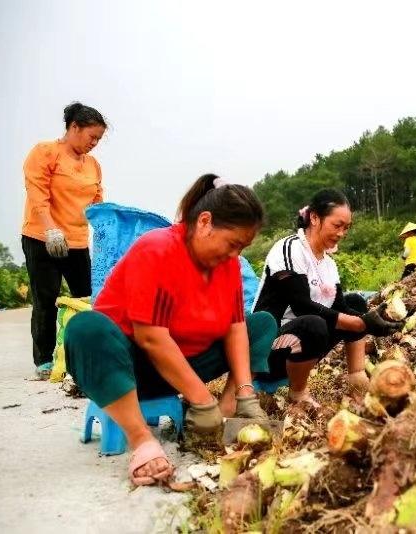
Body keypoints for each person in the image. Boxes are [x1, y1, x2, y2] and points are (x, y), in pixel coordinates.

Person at [64, 174, 277, 486]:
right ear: (204, 222)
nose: (235, 256)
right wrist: (201, 399)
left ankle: (227, 411)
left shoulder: (227, 266)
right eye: (233, 244)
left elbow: (235, 327)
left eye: (242, 248)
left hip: (185, 364)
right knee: (85, 328)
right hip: (131, 370)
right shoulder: (158, 251)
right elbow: (151, 337)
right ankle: (142, 441)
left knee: (261, 323)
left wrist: (243, 394)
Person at [253, 189, 404, 407]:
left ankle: (357, 374)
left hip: (300, 345)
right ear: (314, 218)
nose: (342, 233)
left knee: (355, 303)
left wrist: (371, 319)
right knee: (313, 324)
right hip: (269, 351)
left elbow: (340, 306)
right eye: (337, 225)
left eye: (346, 228)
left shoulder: (328, 263)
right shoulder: (290, 248)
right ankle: (298, 394)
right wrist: (361, 322)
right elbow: (301, 305)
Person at [22, 102, 107, 379]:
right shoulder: (45, 152)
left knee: (85, 299)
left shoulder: (93, 165)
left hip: (77, 242)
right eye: (91, 136)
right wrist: (50, 229)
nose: (94, 143)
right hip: (42, 238)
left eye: (98, 139)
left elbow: (97, 202)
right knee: (45, 299)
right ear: (74, 127)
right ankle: (44, 361)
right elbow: (37, 193)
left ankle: (84, 355)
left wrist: (106, 227)